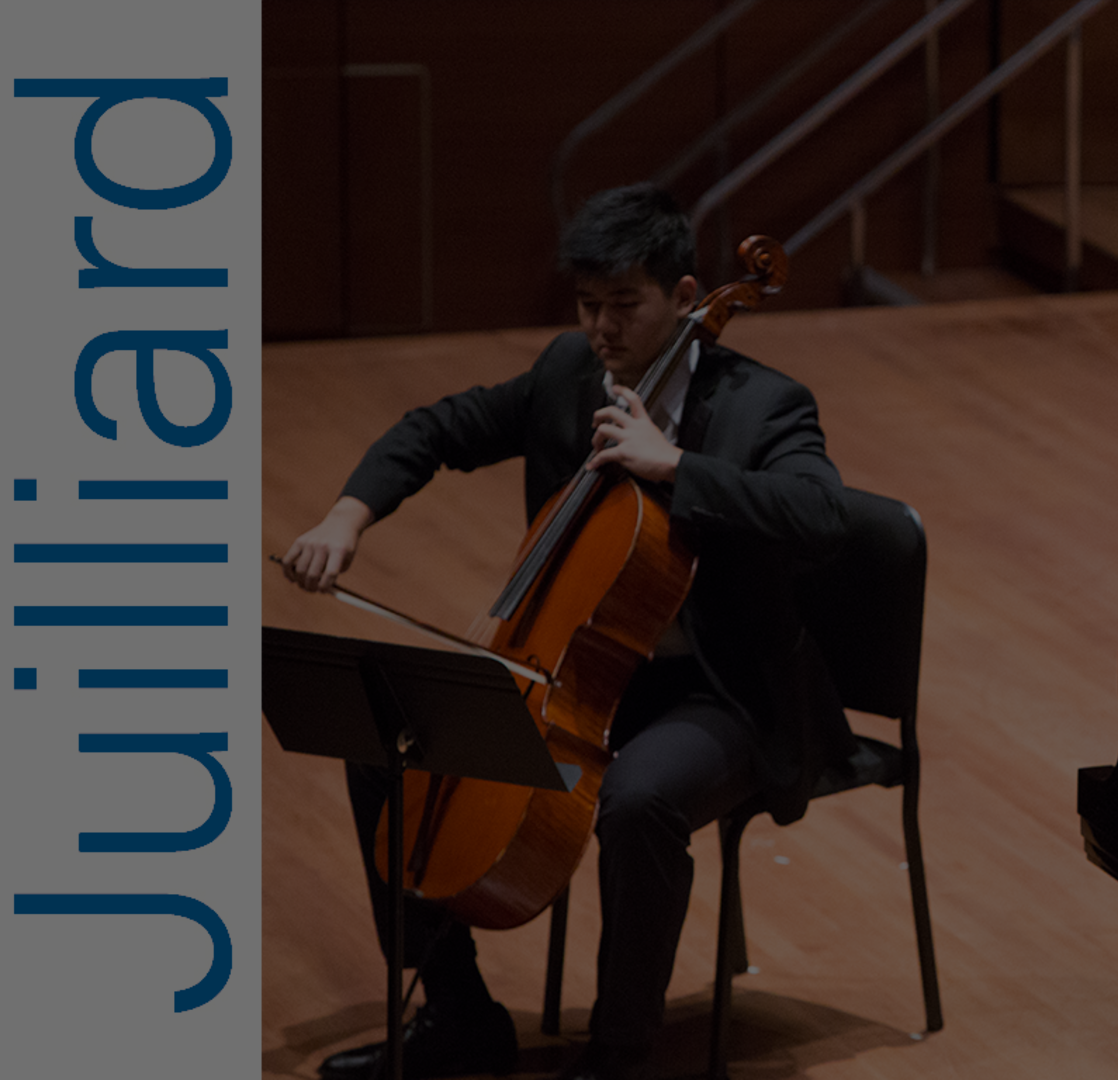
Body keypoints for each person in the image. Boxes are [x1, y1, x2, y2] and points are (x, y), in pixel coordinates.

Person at [280, 183, 853, 1080]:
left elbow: (824, 514)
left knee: (640, 801)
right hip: (572, 684)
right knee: (385, 742)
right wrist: (346, 519)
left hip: (719, 694)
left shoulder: (761, 407)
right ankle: (460, 1015)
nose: (604, 330)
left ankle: (621, 1052)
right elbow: (435, 429)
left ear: (684, 293)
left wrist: (679, 466)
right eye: (590, 307)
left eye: (626, 306)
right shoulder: (566, 375)